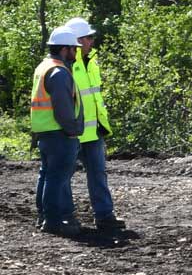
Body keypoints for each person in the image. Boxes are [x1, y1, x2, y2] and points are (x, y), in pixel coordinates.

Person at [65, 16, 123, 233]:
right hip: (72, 133)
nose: (92, 41)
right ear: (78, 41)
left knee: (98, 174)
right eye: (88, 37)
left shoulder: (91, 63)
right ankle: (62, 217)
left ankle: (105, 216)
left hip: (92, 131)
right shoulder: (67, 65)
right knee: (62, 177)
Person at [31, 23, 83, 236]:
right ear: (65, 49)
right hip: (59, 133)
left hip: (45, 132)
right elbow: (63, 108)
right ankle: (52, 221)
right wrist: (72, 130)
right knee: (56, 178)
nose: (76, 52)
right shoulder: (59, 72)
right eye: (74, 48)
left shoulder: (43, 67)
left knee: (47, 175)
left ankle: (44, 216)